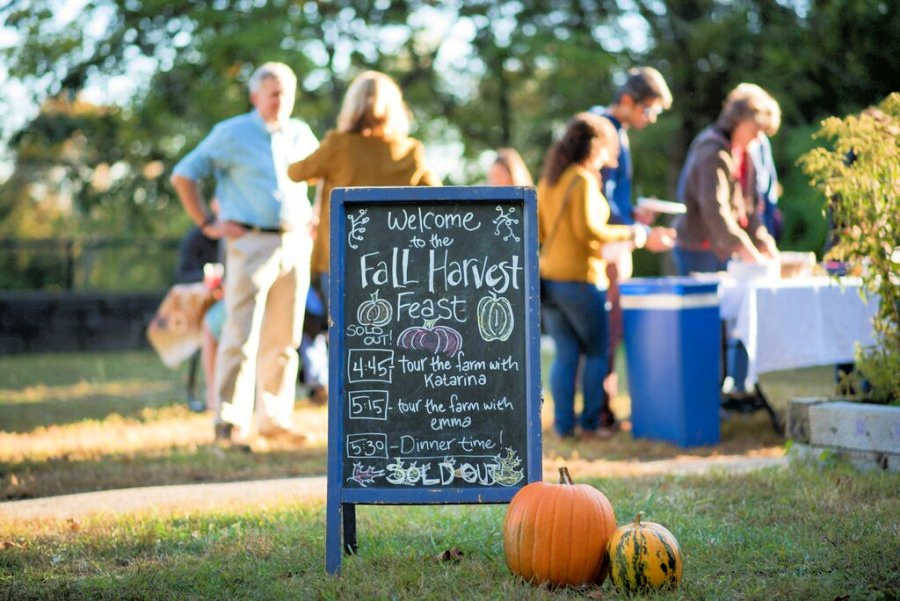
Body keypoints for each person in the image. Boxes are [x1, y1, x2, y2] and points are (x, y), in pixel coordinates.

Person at [170, 61, 319, 445]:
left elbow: (325, 176)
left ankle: (274, 419)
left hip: (295, 243)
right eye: (273, 93)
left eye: (286, 92)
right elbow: (184, 173)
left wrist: (317, 216)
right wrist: (207, 222)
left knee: (285, 338)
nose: (280, 100)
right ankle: (230, 422)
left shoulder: (301, 133)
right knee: (240, 333)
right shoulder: (231, 133)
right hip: (249, 244)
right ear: (255, 96)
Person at [286, 70, 441, 404]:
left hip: (340, 260)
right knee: (394, 336)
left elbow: (296, 172)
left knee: (346, 337)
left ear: (352, 106)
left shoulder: (338, 146)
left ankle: (353, 406)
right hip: (396, 265)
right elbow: (437, 195)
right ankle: (398, 399)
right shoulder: (410, 150)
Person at [538, 112, 674, 439]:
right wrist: (634, 233)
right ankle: (589, 424)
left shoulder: (549, 181)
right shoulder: (582, 180)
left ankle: (562, 426)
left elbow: (540, 230)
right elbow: (590, 231)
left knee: (566, 353)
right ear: (594, 146)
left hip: (548, 280)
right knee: (598, 351)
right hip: (581, 278)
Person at [672, 83, 780, 394]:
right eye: (755, 129)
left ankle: (736, 390)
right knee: (708, 328)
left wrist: (762, 240)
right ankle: (708, 394)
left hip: (726, 251)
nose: (759, 138)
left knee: (737, 324)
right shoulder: (711, 149)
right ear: (738, 118)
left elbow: (751, 206)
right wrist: (745, 250)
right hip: (699, 249)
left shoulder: (747, 152)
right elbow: (715, 211)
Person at [589, 67, 673, 429]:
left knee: (611, 330)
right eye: (648, 110)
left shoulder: (617, 132)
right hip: (610, 248)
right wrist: (639, 230)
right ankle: (600, 414)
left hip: (619, 240)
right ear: (627, 100)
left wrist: (636, 214)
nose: (651, 119)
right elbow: (603, 203)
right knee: (607, 330)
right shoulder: (605, 132)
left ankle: (603, 412)